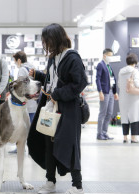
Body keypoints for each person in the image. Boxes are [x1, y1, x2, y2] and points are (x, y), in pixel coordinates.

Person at [27, 23, 88, 194]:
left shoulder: (72, 57)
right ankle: (50, 181)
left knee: (71, 145)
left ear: (56, 38)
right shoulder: (53, 57)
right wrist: (39, 75)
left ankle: (78, 185)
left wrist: (58, 94)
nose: (46, 44)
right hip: (49, 108)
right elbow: (52, 78)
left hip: (69, 110)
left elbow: (80, 83)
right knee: (48, 145)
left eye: (47, 40)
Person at [96, 48, 119, 140]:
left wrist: (114, 92)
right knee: (103, 113)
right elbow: (97, 79)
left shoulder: (108, 66)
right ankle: (99, 133)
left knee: (109, 113)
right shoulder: (100, 65)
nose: (111, 57)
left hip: (110, 92)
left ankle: (104, 133)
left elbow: (112, 79)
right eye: (110, 56)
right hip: (104, 92)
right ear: (104, 55)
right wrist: (100, 91)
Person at [118, 53, 139, 143]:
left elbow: (119, 84)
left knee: (124, 117)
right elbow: (137, 84)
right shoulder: (135, 71)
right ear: (135, 61)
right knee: (134, 117)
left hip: (123, 97)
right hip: (133, 98)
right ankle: (133, 138)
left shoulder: (121, 71)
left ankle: (125, 137)